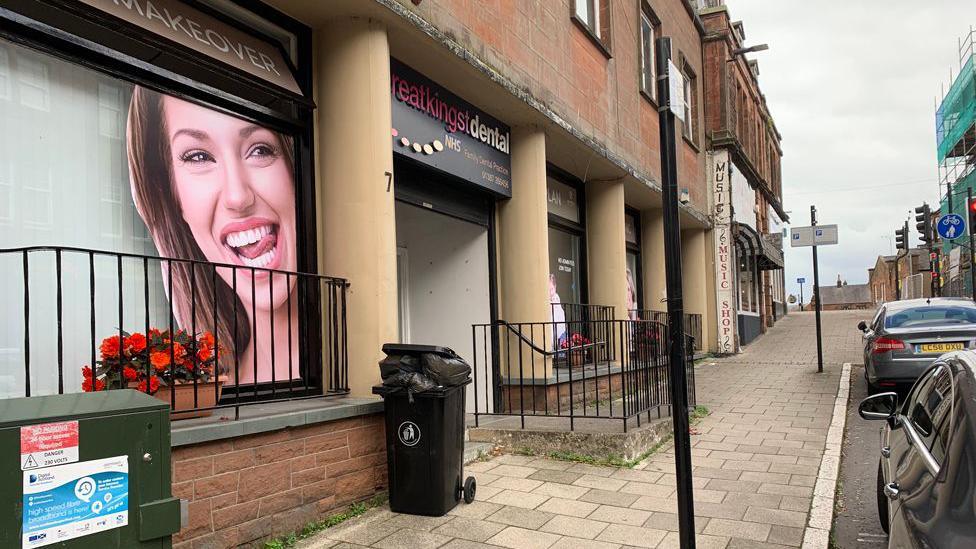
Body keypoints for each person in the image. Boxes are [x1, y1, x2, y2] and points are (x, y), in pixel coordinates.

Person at [127, 86, 299, 385]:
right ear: (172, 195)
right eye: (198, 157)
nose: (237, 196)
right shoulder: (207, 390)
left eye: (260, 150)